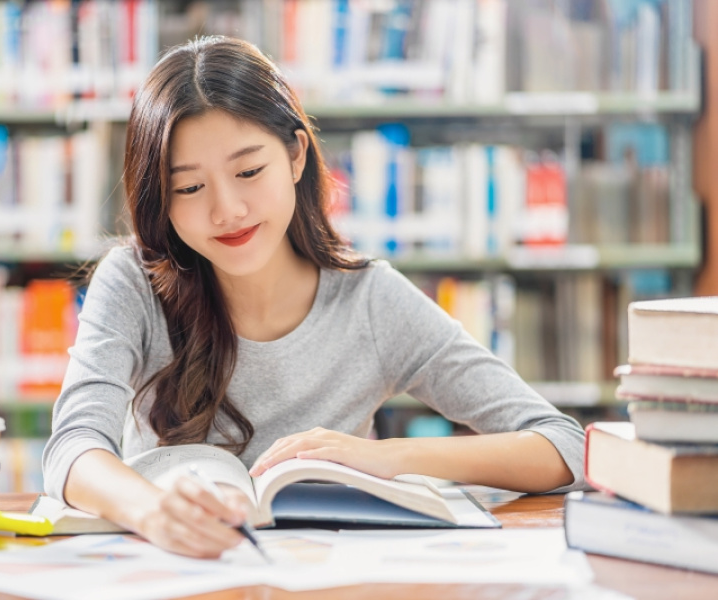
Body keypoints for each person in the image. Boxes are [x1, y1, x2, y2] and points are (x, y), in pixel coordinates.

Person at [42, 36, 585, 559]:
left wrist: (385, 459)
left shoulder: (370, 301)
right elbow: (71, 450)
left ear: (296, 156)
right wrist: (152, 510)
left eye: (249, 171)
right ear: (161, 197)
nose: (226, 210)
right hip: (178, 567)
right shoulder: (132, 282)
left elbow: (563, 446)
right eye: (189, 188)